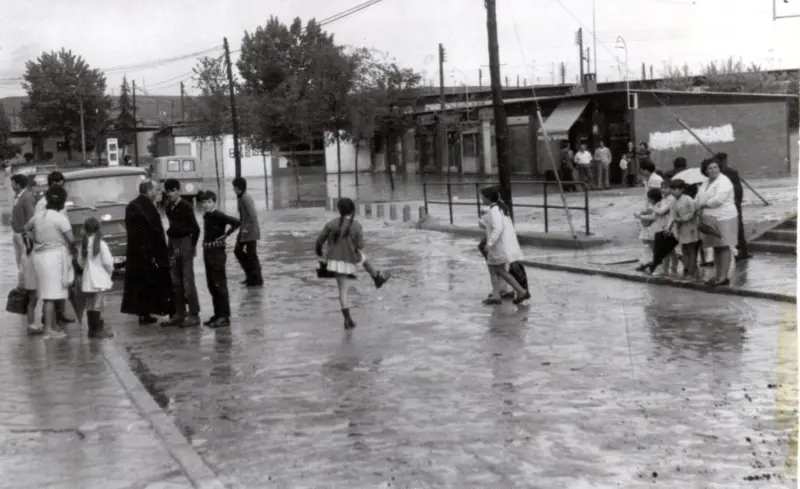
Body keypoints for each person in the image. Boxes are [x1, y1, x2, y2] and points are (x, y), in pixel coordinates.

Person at [315, 197, 392, 330]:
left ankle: (347, 319)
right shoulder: (356, 225)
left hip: (334, 261)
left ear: (339, 209)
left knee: (343, 290)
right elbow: (360, 245)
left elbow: (319, 240)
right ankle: (377, 278)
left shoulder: (331, 224)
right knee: (364, 259)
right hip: (350, 258)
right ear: (352, 210)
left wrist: (320, 252)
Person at [23, 186, 75, 340]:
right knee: (51, 296)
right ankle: (48, 330)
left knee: (47, 294)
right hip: (55, 257)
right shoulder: (60, 218)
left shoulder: (38, 216)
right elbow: (71, 239)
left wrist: (35, 239)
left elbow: (25, 229)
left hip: (39, 256)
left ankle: (51, 327)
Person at [121, 181, 175, 324]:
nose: (158, 193)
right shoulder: (146, 207)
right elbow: (154, 231)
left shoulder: (132, 205)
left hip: (136, 252)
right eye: (156, 190)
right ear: (149, 191)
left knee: (139, 284)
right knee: (152, 282)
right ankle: (157, 310)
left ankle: (143, 313)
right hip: (148, 252)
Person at [479, 187, 530, 305]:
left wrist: (490, 243)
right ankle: (496, 295)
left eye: (482, 197)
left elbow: (498, 228)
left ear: (488, 198)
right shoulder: (500, 208)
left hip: (498, 246)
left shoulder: (495, 210)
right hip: (499, 245)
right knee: (493, 269)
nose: (481, 199)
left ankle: (521, 291)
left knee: (500, 270)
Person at [162, 179, 201, 327]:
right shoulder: (168, 207)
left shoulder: (186, 206)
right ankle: (180, 312)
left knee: (187, 280)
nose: (170, 194)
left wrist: (191, 246)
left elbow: (196, 229)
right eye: (168, 191)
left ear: (178, 191)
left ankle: (194, 314)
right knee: (175, 280)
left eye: (173, 191)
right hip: (173, 243)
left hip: (185, 243)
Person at [198, 191, 240, 328]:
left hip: (217, 253)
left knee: (219, 283)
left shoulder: (218, 214)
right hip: (208, 251)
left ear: (214, 202)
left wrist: (226, 235)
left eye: (209, 202)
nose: (206, 205)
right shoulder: (207, 215)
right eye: (204, 202)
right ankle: (217, 314)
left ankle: (224, 316)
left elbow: (236, 222)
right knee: (211, 284)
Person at [696, 158, 739, 287]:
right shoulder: (706, 182)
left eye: (716, 167)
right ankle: (718, 274)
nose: (713, 170)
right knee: (716, 246)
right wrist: (697, 204)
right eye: (710, 168)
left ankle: (723, 277)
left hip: (724, 217)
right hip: (710, 218)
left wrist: (702, 205)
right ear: (705, 170)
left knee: (724, 246)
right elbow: (699, 197)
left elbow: (718, 200)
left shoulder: (724, 181)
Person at [77, 217, 114, 339]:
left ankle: (91, 330)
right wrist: (110, 271)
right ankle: (98, 330)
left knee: (90, 304)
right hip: (99, 277)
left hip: (87, 278)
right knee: (98, 304)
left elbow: (80, 262)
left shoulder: (83, 244)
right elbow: (107, 262)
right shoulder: (101, 244)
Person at [715, 153, 750, 261]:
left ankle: (728, 253)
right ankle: (742, 252)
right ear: (725, 160)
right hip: (733, 203)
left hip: (721, 204)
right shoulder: (731, 172)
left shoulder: (715, 174)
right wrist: (738, 201)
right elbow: (738, 189)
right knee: (738, 228)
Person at [232, 177, 264, 287]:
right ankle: (250, 276)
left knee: (251, 255)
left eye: (234, 187)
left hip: (250, 232)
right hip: (244, 230)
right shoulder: (241, 197)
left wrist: (246, 229)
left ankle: (256, 279)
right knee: (238, 251)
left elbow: (253, 215)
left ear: (238, 188)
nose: (233, 189)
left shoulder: (245, 198)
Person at [669, 179, 701, 281]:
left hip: (690, 227)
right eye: (671, 189)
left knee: (691, 249)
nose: (672, 191)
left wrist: (683, 219)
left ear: (682, 189)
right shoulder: (673, 201)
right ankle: (686, 269)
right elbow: (672, 215)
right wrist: (670, 225)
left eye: (675, 189)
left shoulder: (688, 199)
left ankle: (692, 270)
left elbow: (693, 212)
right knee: (684, 249)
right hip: (681, 228)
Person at [11, 173, 36, 269]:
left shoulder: (26, 197)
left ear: (18, 185)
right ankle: (21, 276)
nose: (11, 186)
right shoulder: (17, 197)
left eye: (13, 183)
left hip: (23, 234)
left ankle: (26, 277)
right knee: (19, 261)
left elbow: (30, 217)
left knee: (25, 260)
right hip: (16, 232)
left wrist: (27, 233)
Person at [634, 188, 661, 272]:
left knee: (652, 247)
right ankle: (646, 262)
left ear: (652, 199)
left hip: (654, 228)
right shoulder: (652, 206)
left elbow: (653, 217)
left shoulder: (659, 206)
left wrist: (640, 216)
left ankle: (651, 263)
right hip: (649, 228)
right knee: (648, 246)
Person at [18, 234, 40, 335]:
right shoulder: (35, 254)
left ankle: (31, 324)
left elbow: (21, 270)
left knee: (30, 303)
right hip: (34, 283)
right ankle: (31, 325)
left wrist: (21, 283)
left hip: (27, 282)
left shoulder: (24, 254)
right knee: (32, 304)